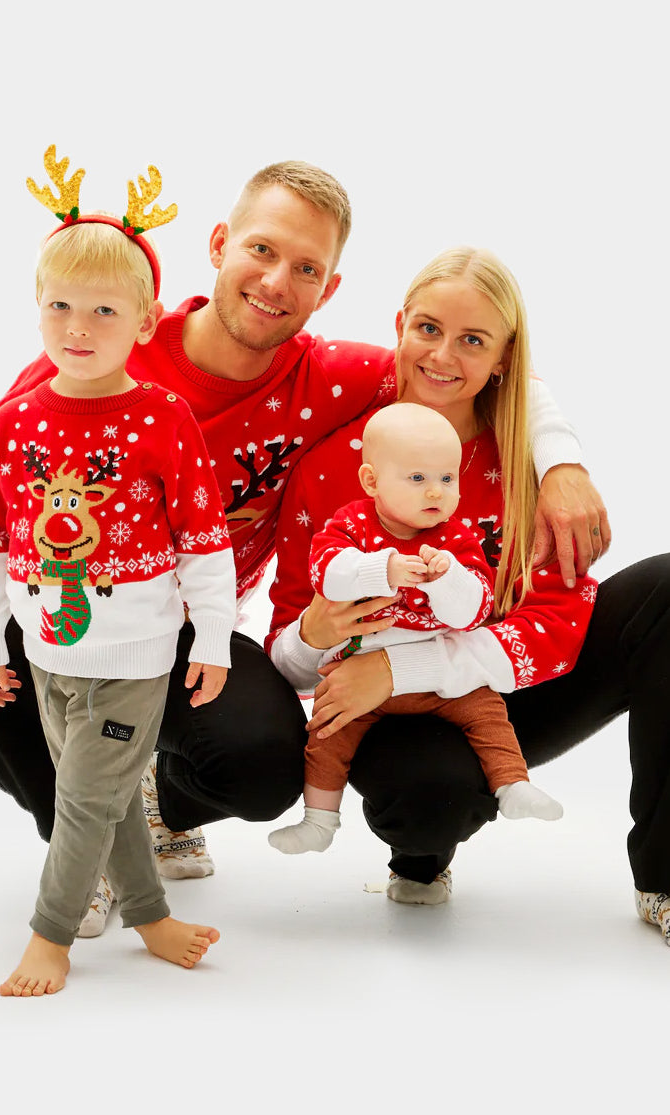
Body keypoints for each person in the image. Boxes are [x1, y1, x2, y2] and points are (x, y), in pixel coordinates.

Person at [0, 157, 608, 935]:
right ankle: (85, 847)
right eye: (262, 250)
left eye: (306, 267)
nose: (277, 281)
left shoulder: (336, 378)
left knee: (262, 763)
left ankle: (150, 805)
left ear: (330, 290)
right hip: (62, 602)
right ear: (218, 244)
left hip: (183, 624)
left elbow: (473, 367)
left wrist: (560, 462)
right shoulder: (106, 346)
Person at [266, 246, 670, 946]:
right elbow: (289, 666)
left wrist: (403, 666)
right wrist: (319, 633)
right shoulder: (335, 467)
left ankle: (663, 878)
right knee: (427, 801)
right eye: (426, 329)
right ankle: (421, 855)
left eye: (471, 340)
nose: (442, 356)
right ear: (398, 326)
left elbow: (553, 620)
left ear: (504, 359)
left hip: (506, 689)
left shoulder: (528, 464)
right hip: (387, 713)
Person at [0, 153, 235, 995]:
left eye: (103, 310)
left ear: (145, 321)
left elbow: (203, 539)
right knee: (113, 796)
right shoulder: (12, 422)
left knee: (81, 797)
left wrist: (214, 639)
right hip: (49, 652)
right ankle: (150, 915)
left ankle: (52, 937)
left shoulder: (163, 417)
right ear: (36, 309)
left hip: (137, 656)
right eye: (60, 306)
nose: (77, 327)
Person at [268, 403, 564, 855]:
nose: (436, 493)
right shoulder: (351, 525)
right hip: (358, 678)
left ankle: (512, 786)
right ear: (372, 481)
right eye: (418, 479)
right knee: (326, 735)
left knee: (488, 713)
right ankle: (319, 819)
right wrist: (381, 569)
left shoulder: (456, 537)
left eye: (447, 479)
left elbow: (473, 612)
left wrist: (450, 578)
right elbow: (326, 572)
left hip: (437, 682)